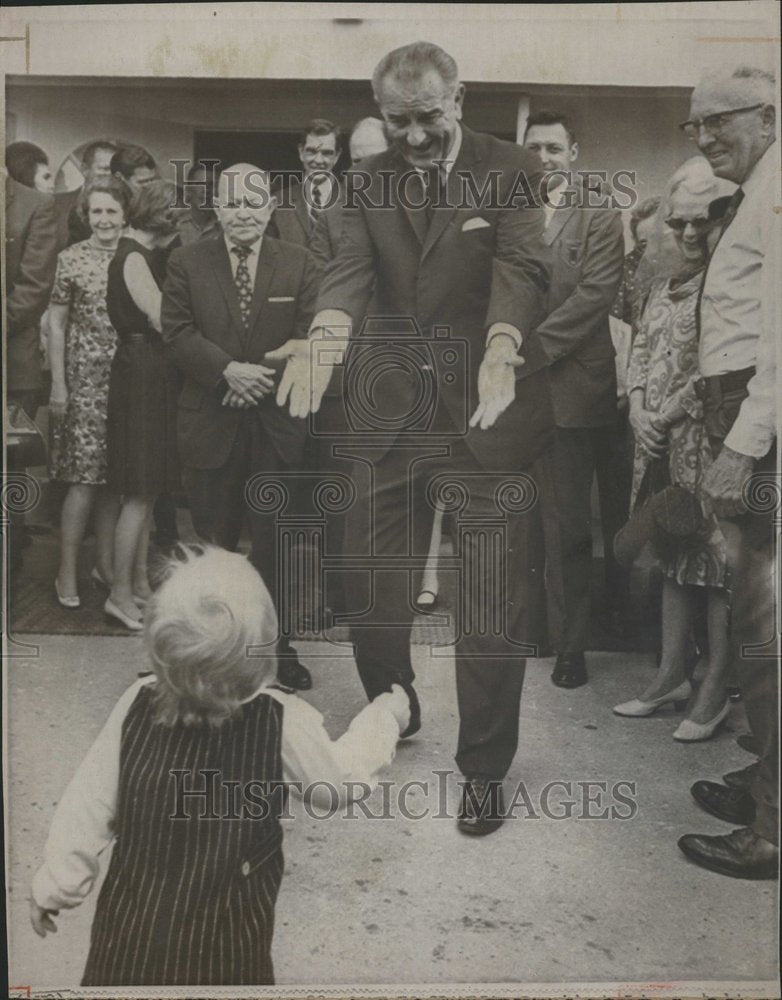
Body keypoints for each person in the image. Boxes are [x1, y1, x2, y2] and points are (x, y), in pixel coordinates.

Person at [268, 41, 555, 835]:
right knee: (371, 596)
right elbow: (350, 272)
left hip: (485, 416)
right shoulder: (366, 180)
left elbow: (524, 267)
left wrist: (501, 349)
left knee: (489, 602)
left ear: (459, 98)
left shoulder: (513, 167)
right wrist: (326, 342)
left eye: (429, 118)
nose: (417, 136)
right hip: (388, 419)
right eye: (399, 122)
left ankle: (486, 770)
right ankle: (396, 702)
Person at [29, 545, 410, 986]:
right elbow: (337, 785)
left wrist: (56, 884)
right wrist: (383, 720)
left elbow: (87, 804)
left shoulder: (135, 704)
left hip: (130, 943)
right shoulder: (281, 720)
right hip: (228, 949)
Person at [161, 163, 319, 691]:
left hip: (276, 426)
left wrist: (258, 379)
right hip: (212, 419)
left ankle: (276, 650)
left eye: (255, 201)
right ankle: (209, 654)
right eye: (233, 202)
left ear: (271, 206)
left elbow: (308, 336)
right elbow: (177, 332)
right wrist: (226, 371)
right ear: (218, 209)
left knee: (276, 544)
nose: (244, 212)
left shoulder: (299, 263)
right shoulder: (186, 261)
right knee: (212, 545)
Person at [676, 65, 778, 880]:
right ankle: (770, 781)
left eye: (721, 120)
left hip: (756, 418)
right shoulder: (756, 193)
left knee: (766, 626)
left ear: (767, 115)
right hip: (735, 403)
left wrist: (743, 444)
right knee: (759, 622)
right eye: (695, 125)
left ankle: (772, 826)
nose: (706, 137)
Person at [612, 158, 733, 740]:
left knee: (713, 566)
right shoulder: (661, 285)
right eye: (680, 222)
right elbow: (639, 352)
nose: (690, 234)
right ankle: (669, 677)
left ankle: (713, 691)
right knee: (672, 560)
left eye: (701, 223)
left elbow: (720, 366)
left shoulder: (727, 286)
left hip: (705, 444)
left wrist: (664, 412)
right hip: (656, 442)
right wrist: (638, 407)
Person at [522, 110, 625, 686]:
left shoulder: (601, 213)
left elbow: (595, 297)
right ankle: (531, 630)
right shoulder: (507, 213)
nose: (543, 159)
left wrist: (528, 350)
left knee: (567, 526)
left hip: (569, 387)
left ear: (574, 153)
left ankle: (571, 645)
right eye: (533, 148)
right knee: (519, 517)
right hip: (510, 388)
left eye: (554, 149)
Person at [47, 176, 132, 608]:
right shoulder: (71, 259)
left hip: (127, 382)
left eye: (111, 211)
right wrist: (59, 385)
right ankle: (66, 571)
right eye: (96, 211)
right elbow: (57, 323)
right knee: (82, 482)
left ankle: (105, 566)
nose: (103, 219)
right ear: (86, 215)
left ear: (124, 215)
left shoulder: (137, 259)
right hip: (83, 383)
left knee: (114, 479)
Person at [104, 180, 180, 630]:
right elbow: (161, 316)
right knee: (138, 491)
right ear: (164, 218)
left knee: (146, 489)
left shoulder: (138, 253)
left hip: (146, 369)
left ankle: (139, 587)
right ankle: (119, 593)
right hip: (142, 370)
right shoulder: (133, 255)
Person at [5, 169, 58, 576]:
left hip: (12, 361)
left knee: (9, 467)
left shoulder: (35, 205)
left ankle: (8, 568)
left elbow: (35, 285)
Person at [268, 118, 342, 247]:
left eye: (327, 153)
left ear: (337, 156)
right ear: (301, 152)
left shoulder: (352, 201)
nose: (318, 160)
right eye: (311, 151)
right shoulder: (278, 202)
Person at [58, 139, 118, 248]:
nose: (111, 175)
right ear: (85, 169)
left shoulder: (126, 209)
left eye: (115, 170)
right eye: (104, 169)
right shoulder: (56, 205)